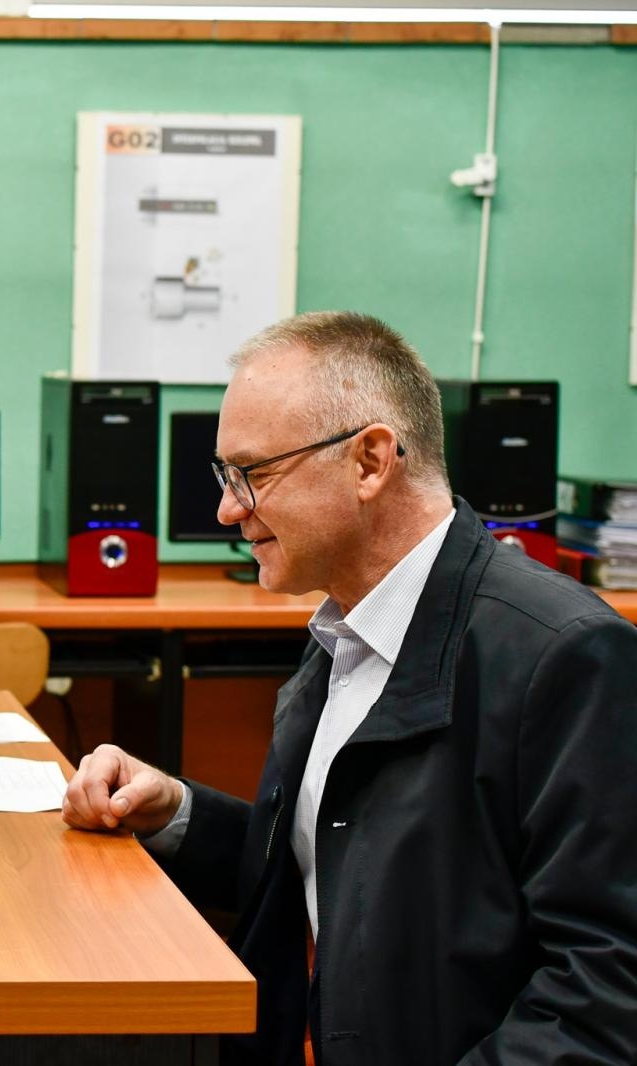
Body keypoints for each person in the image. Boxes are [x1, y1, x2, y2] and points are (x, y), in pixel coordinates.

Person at [63, 311, 637, 1064]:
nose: (228, 508)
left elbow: (607, 989)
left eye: (252, 473)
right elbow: (333, 864)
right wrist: (174, 810)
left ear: (369, 461)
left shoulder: (566, 656)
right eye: (224, 476)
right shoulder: (349, 629)